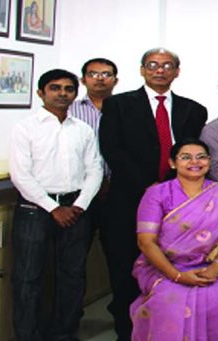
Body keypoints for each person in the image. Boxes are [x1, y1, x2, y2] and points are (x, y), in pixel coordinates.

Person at [99, 47, 208, 340]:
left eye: (167, 65)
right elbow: (112, 149)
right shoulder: (118, 105)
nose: (160, 70)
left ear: (177, 71)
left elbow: (191, 155)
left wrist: (171, 188)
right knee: (125, 266)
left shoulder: (194, 109)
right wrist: (149, 187)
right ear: (142, 69)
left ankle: (167, 328)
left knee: (172, 263)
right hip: (129, 200)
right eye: (153, 65)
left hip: (178, 201)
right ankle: (127, 328)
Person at [129, 139, 218, 341]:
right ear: (172, 163)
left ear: (209, 161)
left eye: (201, 157)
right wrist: (177, 276)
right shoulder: (157, 194)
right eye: (185, 157)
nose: (194, 162)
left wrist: (215, 268)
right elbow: (146, 242)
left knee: (215, 297)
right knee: (168, 301)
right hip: (165, 267)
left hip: (217, 266)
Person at [9, 69, 102, 341]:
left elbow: (95, 169)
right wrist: (52, 208)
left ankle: (64, 333)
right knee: (28, 277)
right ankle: (29, 335)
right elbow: (20, 174)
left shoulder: (82, 130)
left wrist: (81, 204)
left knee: (72, 276)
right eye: (55, 88)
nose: (62, 93)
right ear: (41, 93)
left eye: (68, 89)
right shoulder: (25, 128)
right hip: (34, 209)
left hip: (76, 208)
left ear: (76, 93)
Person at [69, 57, 119, 274]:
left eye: (106, 74)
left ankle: (122, 306)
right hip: (80, 192)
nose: (100, 79)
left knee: (120, 253)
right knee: (74, 256)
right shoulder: (69, 110)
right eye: (93, 74)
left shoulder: (125, 109)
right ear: (83, 79)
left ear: (115, 80)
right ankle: (70, 309)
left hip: (117, 191)